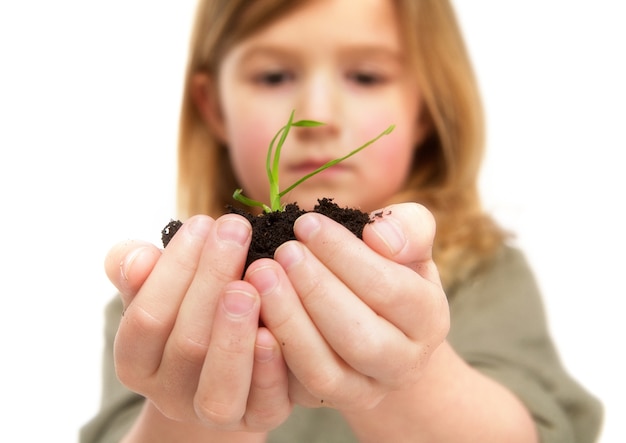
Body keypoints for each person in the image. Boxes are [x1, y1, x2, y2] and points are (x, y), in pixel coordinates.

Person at [80, 0, 602, 442]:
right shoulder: (170, 296)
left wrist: (403, 370)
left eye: (366, 76)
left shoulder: (484, 274)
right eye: (274, 76)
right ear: (213, 107)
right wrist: (194, 404)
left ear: (425, 108)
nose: (319, 113)